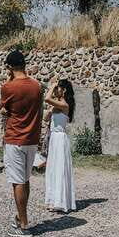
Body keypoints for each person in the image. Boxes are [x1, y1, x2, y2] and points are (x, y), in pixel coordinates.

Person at [0, 50, 42, 237]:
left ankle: (24, 225)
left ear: (9, 67)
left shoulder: (8, 87)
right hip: (31, 138)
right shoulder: (37, 86)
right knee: (25, 180)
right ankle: (20, 216)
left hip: (15, 137)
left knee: (17, 181)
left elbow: (2, 109)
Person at [43, 79, 77, 213]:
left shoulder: (64, 104)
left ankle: (61, 201)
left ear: (64, 90)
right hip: (53, 138)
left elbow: (46, 98)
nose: (56, 89)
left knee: (60, 168)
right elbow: (45, 118)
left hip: (60, 138)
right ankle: (53, 200)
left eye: (58, 88)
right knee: (53, 168)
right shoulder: (57, 105)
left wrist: (51, 87)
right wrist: (50, 110)